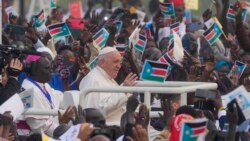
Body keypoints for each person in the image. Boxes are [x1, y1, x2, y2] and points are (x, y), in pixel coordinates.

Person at [79, 47, 138, 125]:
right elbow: (99, 111)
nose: (119, 66)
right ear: (103, 62)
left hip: (122, 123)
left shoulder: (108, 77)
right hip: (110, 127)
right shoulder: (93, 80)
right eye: (115, 62)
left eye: (120, 62)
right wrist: (124, 90)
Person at [21, 52, 74, 136]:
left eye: (51, 68)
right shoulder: (26, 91)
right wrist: (61, 124)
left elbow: (58, 97)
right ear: (34, 70)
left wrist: (70, 109)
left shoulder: (44, 85)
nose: (51, 71)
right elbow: (38, 126)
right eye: (47, 68)